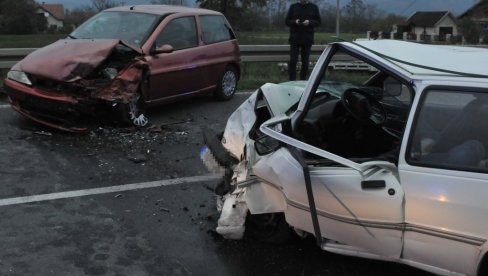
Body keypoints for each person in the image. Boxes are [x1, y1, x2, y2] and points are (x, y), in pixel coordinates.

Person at [285, 0, 321, 81]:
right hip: (294, 38)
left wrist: (309, 22)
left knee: (305, 62)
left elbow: (318, 22)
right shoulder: (293, 7)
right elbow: (287, 21)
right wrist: (295, 22)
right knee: (293, 61)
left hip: (307, 39)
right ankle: (292, 81)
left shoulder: (314, 7)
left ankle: (303, 81)